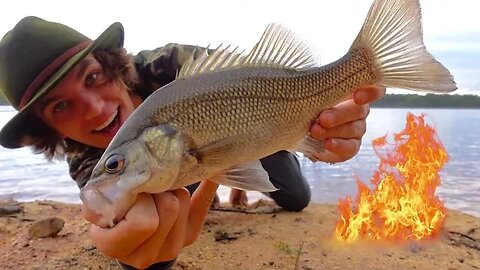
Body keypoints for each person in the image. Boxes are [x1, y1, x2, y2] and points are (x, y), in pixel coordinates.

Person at [0, 17, 385, 269]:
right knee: (166, 207)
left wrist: (328, 124)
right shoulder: (85, 161)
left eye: (93, 76)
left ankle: (236, 185)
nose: (95, 108)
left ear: (112, 63)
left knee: (296, 196)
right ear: (49, 129)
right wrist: (140, 254)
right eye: (61, 106)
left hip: (261, 126)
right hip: (188, 161)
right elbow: (125, 225)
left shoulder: (171, 67)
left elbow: (256, 78)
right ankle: (214, 192)